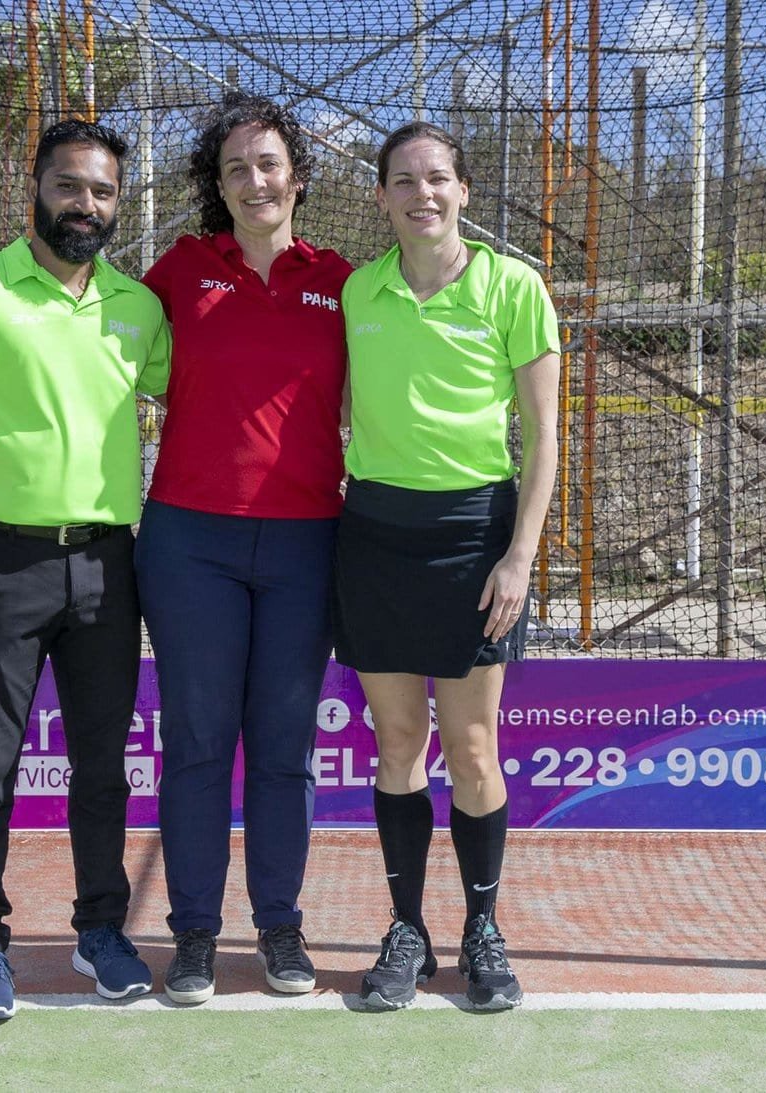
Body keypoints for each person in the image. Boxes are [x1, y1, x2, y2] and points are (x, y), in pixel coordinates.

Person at [0, 119, 170, 1021]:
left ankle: (101, 930)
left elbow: (200, 394)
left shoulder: (138, 306)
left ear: (116, 204)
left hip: (106, 562)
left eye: (100, 192)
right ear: (37, 188)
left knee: (103, 766)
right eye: (69, 186)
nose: (84, 205)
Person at [336, 121, 561, 1012]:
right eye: (403, 180)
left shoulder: (514, 288)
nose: (422, 194)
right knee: (397, 747)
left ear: (464, 191)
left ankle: (481, 929)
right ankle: (406, 931)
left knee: (471, 750)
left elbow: (544, 437)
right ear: (384, 197)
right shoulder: (359, 293)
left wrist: (519, 556)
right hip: (376, 535)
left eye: (438, 179)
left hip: (476, 538)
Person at [136, 92, 351, 1005]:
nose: (254, 181)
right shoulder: (177, 273)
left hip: (308, 541)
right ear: (215, 186)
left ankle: (279, 927)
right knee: (194, 741)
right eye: (235, 168)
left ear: (296, 176)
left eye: (268, 164)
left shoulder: (343, 280)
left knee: (283, 747)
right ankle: (191, 936)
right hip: (190, 540)